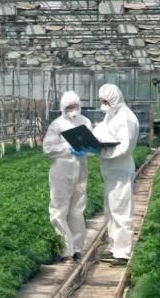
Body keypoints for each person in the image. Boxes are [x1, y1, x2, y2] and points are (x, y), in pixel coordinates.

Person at [92, 84, 139, 266]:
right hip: (110, 169)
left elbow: (124, 147)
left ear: (116, 98)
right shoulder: (110, 116)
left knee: (121, 209)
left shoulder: (126, 118)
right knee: (111, 209)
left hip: (120, 168)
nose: (104, 104)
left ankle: (123, 253)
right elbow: (100, 132)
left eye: (107, 101)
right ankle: (114, 247)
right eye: (102, 101)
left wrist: (101, 151)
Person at [43, 91, 93, 262]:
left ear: (80, 105)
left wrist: (88, 148)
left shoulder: (85, 121)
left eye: (75, 106)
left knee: (77, 210)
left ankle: (77, 248)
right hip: (61, 171)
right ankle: (65, 249)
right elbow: (47, 148)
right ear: (63, 108)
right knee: (58, 210)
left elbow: (91, 143)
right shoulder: (57, 125)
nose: (73, 110)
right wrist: (67, 148)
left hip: (80, 170)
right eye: (69, 107)